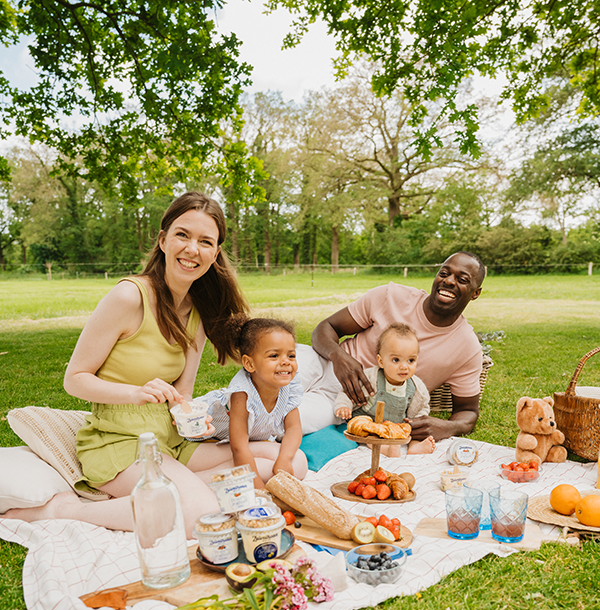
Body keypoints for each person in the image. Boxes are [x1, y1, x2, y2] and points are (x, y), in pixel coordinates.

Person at [5, 192, 291, 537]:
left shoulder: (198, 313)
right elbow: (74, 379)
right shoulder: (129, 297)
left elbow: (183, 392)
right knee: (200, 514)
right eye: (182, 235)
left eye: (205, 241)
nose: (191, 249)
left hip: (170, 440)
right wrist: (135, 392)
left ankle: (168, 493)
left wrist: (192, 418)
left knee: (285, 464)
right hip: (120, 442)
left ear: (215, 253)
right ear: (163, 240)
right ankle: (67, 509)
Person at [296, 252, 486, 441]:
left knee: (289, 421)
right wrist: (338, 357)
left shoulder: (467, 348)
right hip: (323, 362)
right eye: (444, 273)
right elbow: (326, 327)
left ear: (475, 293)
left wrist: (447, 427)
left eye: (462, 279)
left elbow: (468, 411)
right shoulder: (391, 296)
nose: (449, 281)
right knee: (270, 372)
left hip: (346, 400)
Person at [194, 317, 308, 489]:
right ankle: (193, 481)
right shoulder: (242, 394)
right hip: (202, 444)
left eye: (291, 355)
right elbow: (239, 448)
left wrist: (284, 460)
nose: (286, 361)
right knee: (266, 468)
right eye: (274, 355)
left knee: (298, 462)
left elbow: (293, 428)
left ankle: (217, 479)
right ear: (249, 363)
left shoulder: (288, 387)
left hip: (238, 444)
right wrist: (260, 491)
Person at [334, 322, 436, 457]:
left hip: (395, 428)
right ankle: (386, 450)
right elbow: (349, 392)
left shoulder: (417, 388)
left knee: (415, 432)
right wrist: (344, 406)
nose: (404, 367)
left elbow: (422, 408)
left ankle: (415, 446)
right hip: (369, 424)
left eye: (410, 360)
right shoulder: (371, 378)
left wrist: (416, 422)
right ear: (381, 361)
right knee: (370, 436)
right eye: (396, 360)